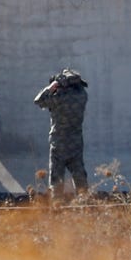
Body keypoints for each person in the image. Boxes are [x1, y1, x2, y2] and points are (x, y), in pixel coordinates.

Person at [34, 68, 89, 199]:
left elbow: (38, 101)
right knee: (80, 180)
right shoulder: (82, 95)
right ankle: (85, 206)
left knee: (56, 182)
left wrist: (51, 87)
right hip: (76, 144)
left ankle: (57, 209)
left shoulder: (58, 97)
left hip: (59, 144)